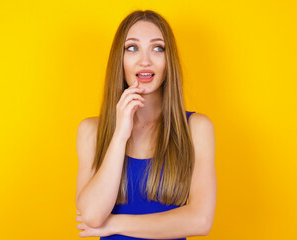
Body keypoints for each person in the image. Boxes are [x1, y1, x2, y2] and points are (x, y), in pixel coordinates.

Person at [75, 9, 216, 239]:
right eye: (132, 48)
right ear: (119, 59)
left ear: (168, 60)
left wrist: (114, 224)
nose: (145, 61)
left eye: (157, 48)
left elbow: (200, 221)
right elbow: (91, 214)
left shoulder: (196, 129)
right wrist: (120, 134)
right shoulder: (91, 131)